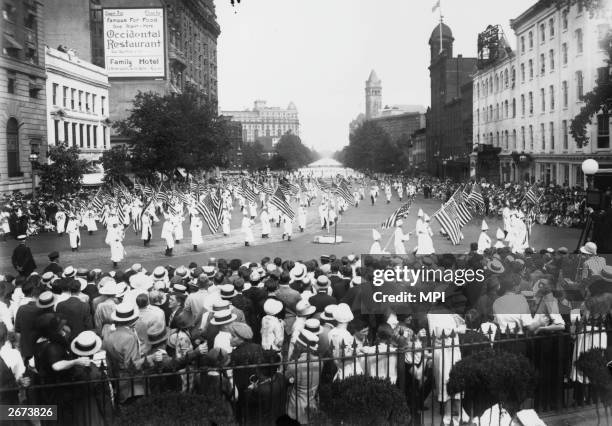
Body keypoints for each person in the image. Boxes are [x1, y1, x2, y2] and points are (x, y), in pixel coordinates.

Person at [286, 329, 321, 424]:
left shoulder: (294, 365)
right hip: (312, 402)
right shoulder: (320, 362)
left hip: (296, 405)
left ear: (299, 346)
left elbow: (287, 378)